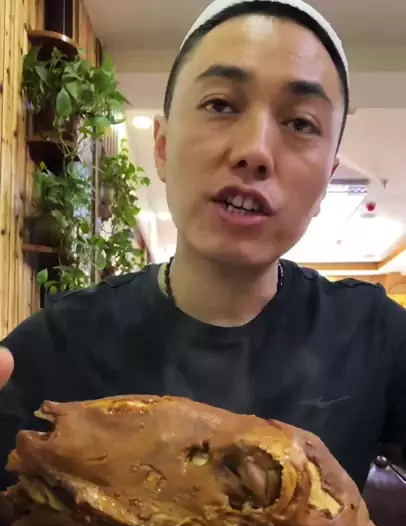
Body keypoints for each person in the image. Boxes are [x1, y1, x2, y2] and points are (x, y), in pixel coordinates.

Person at [0, 0, 405, 496]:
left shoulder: (375, 338)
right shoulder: (55, 347)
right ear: (162, 147)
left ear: (326, 182)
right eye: (220, 105)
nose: (255, 151)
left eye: (301, 123)